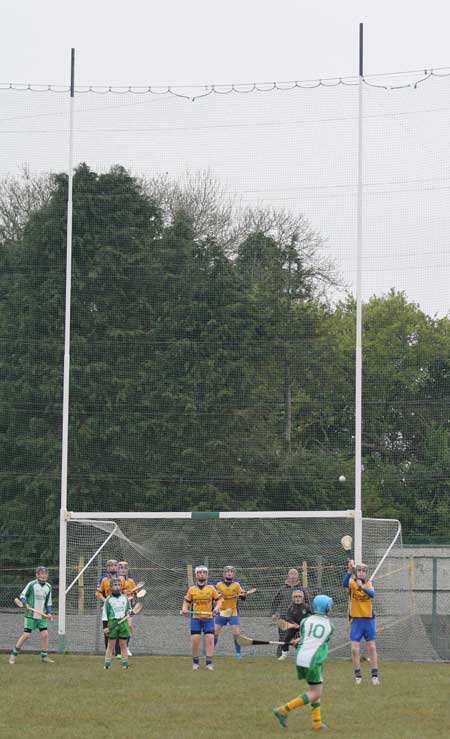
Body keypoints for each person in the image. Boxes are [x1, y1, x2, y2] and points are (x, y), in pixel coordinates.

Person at [274, 594, 334, 732]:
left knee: (316, 688)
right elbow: (323, 640)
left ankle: (317, 723)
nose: (331, 608)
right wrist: (301, 639)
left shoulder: (305, 621)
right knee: (315, 693)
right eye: (329, 606)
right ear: (325, 608)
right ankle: (283, 710)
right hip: (313, 660)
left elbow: (306, 637)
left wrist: (298, 640)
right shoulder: (329, 626)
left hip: (301, 658)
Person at [343, 560, 379, 685]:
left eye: (364, 571)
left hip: (368, 620)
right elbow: (344, 584)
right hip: (356, 620)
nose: (361, 573)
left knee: (372, 647)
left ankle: (375, 676)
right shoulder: (352, 584)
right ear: (356, 572)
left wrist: (362, 587)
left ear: (366, 573)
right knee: (354, 649)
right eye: (359, 570)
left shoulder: (369, 584)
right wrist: (349, 571)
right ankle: (358, 675)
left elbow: (372, 594)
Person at [9, 565, 54, 665]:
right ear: (37, 575)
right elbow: (22, 595)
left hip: (41, 616)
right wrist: (25, 603)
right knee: (26, 635)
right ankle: (13, 655)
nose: (43, 575)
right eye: (41, 574)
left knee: (45, 635)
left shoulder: (48, 586)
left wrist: (49, 613)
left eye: (45, 574)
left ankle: (44, 656)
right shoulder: (32, 584)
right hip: (30, 615)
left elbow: (48, 602)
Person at [181, 565, 222, 670]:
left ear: (207, 575)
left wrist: (217, 608)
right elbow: (186, 602)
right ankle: (195, 663)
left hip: (208, 618)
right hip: (196, 618)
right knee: (195, 640)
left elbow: (218, 601)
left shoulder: (211, 588)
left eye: (204, 572)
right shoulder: (192, 589)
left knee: (210, 639)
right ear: (196, 575)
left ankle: (209, 663)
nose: (202, 574)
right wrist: (185, 609)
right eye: (200, 572)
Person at [271, 568, 309, 657]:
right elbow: (275, 602)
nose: (292, 576)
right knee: (283, 637)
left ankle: (300, 656)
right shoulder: (282, 589)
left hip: (298, 619)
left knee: (298, 638)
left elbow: (307, 603)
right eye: (291, 574)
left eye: (294, 574)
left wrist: (307, 615)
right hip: (283, 618)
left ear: (297, 576)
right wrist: (273, 613)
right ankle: (280, 656)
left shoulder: (302, 590)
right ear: (288, 576)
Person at [214, 565, 247, 659]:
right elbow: (214, 597)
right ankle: (210, 652)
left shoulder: (236, 585)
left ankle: (238, 654)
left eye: (231, 571)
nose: (229, 573)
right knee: (215, 632)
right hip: (222, 612)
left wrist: (243, 594)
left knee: (236, 633)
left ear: (233, 574)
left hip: (232, 612)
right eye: (227, 571)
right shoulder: (218, 585)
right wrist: (219, 596)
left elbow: (243, 598)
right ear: (224, 573)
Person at [102, 578, 131, 670]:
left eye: (119, 585)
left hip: (123, 623)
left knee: (123, 644)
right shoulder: (108, 600)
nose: (117, 587)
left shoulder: (125, 598)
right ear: (110, 587)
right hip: (112, 623)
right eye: (115, 585)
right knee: (111, 645)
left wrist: (131, 612)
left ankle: (125, 665)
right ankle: (107, 665)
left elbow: (128, 610)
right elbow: (105, 614)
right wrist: (105, 626)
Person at [96, 559, 126, 648]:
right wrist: (106, 601)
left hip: (119, 607)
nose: (113, 567)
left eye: (114, 565)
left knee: (119, 628)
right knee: (107, 629)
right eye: (110, 565)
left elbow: (124, 591)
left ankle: (117, 651)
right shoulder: (104, 579)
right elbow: (98, 593)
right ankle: (108, 650)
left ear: (117, 567)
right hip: (108, 608)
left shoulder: (121, 578)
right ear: (107, 568)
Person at [277, 589, 312, 660]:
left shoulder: (306, 606)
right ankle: (284, 654)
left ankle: (301, 655)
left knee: (301, 641)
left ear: (302, 597)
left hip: (303, 627)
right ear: (293, 598)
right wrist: (293, 624)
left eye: (299, 596)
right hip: (293, 626)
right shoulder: (291, 607)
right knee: (286, 638)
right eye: (295, 596)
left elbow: (311, 614)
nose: (297, 598)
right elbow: (288, 618)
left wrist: (309, 619)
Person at [117, 560, 136, 657]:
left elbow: (134, 594)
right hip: (118, 607)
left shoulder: (131, 581)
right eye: (121, 567)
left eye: (125, 568)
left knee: (129, 626)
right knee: (118, 628)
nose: (123, 570)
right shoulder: (116, 580)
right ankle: (117, 649)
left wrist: (133, 593)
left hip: (129, 607)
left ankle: (126, 647)